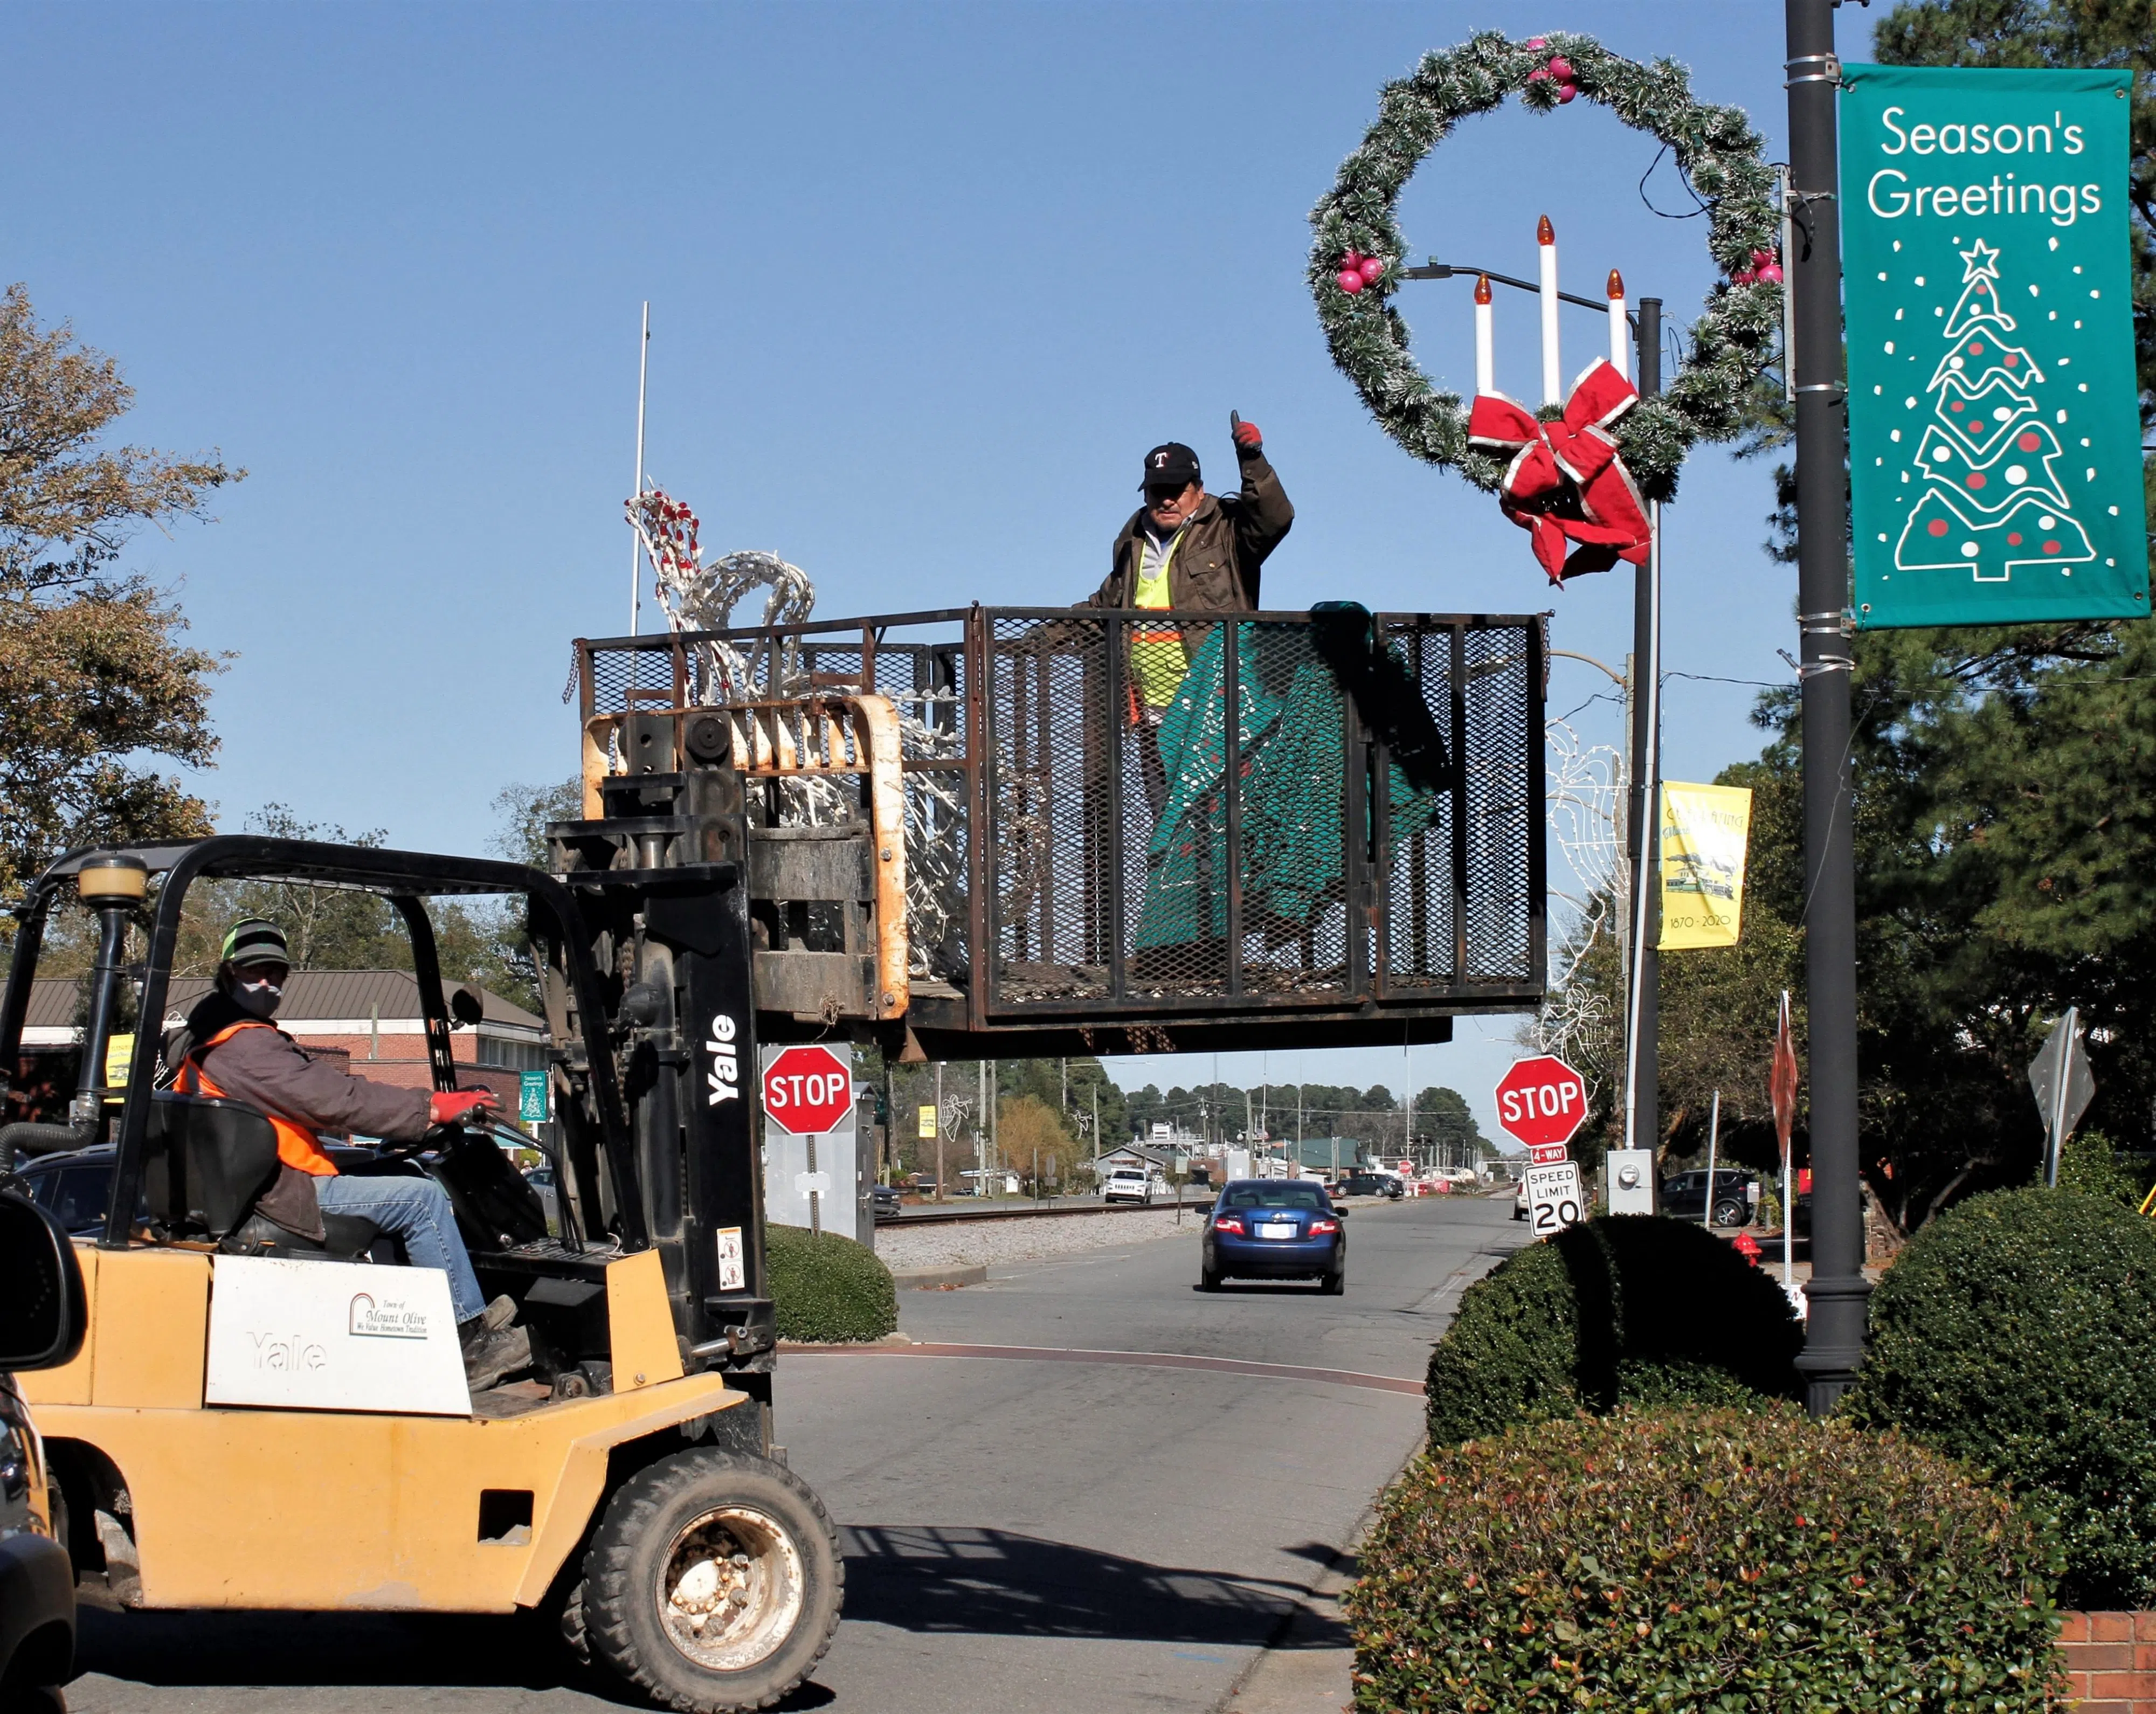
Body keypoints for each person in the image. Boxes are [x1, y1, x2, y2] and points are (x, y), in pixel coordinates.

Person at [170, 919, 532, 1391]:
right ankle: (467, 1342)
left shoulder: (211, 1033)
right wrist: (432, 1106)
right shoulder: (242, 1043)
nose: (266, 982)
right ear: (227, 971)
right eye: (252, 970)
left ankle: (438, 1315)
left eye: (276, 972)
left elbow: (328, 1095)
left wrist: (414, 1116)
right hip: (277, 1195)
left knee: (401, 1168)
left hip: (260, 1182)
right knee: (419, 1198)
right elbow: (331, 1099)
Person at [1084, 418, 1294, 811]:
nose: (1166, 500)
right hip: (1153, 716)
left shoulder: (1228, 531)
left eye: (1176, 490)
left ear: (1197, 491)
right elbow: (1102, 608)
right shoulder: (1133, 543)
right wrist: (1026, 638)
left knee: (1221, 819)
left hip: (1216, 710)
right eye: (1157, 491)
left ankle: (1225, 875)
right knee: (1169, 821)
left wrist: (1252, 461)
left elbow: (1275, 519)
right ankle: (1178, 876)